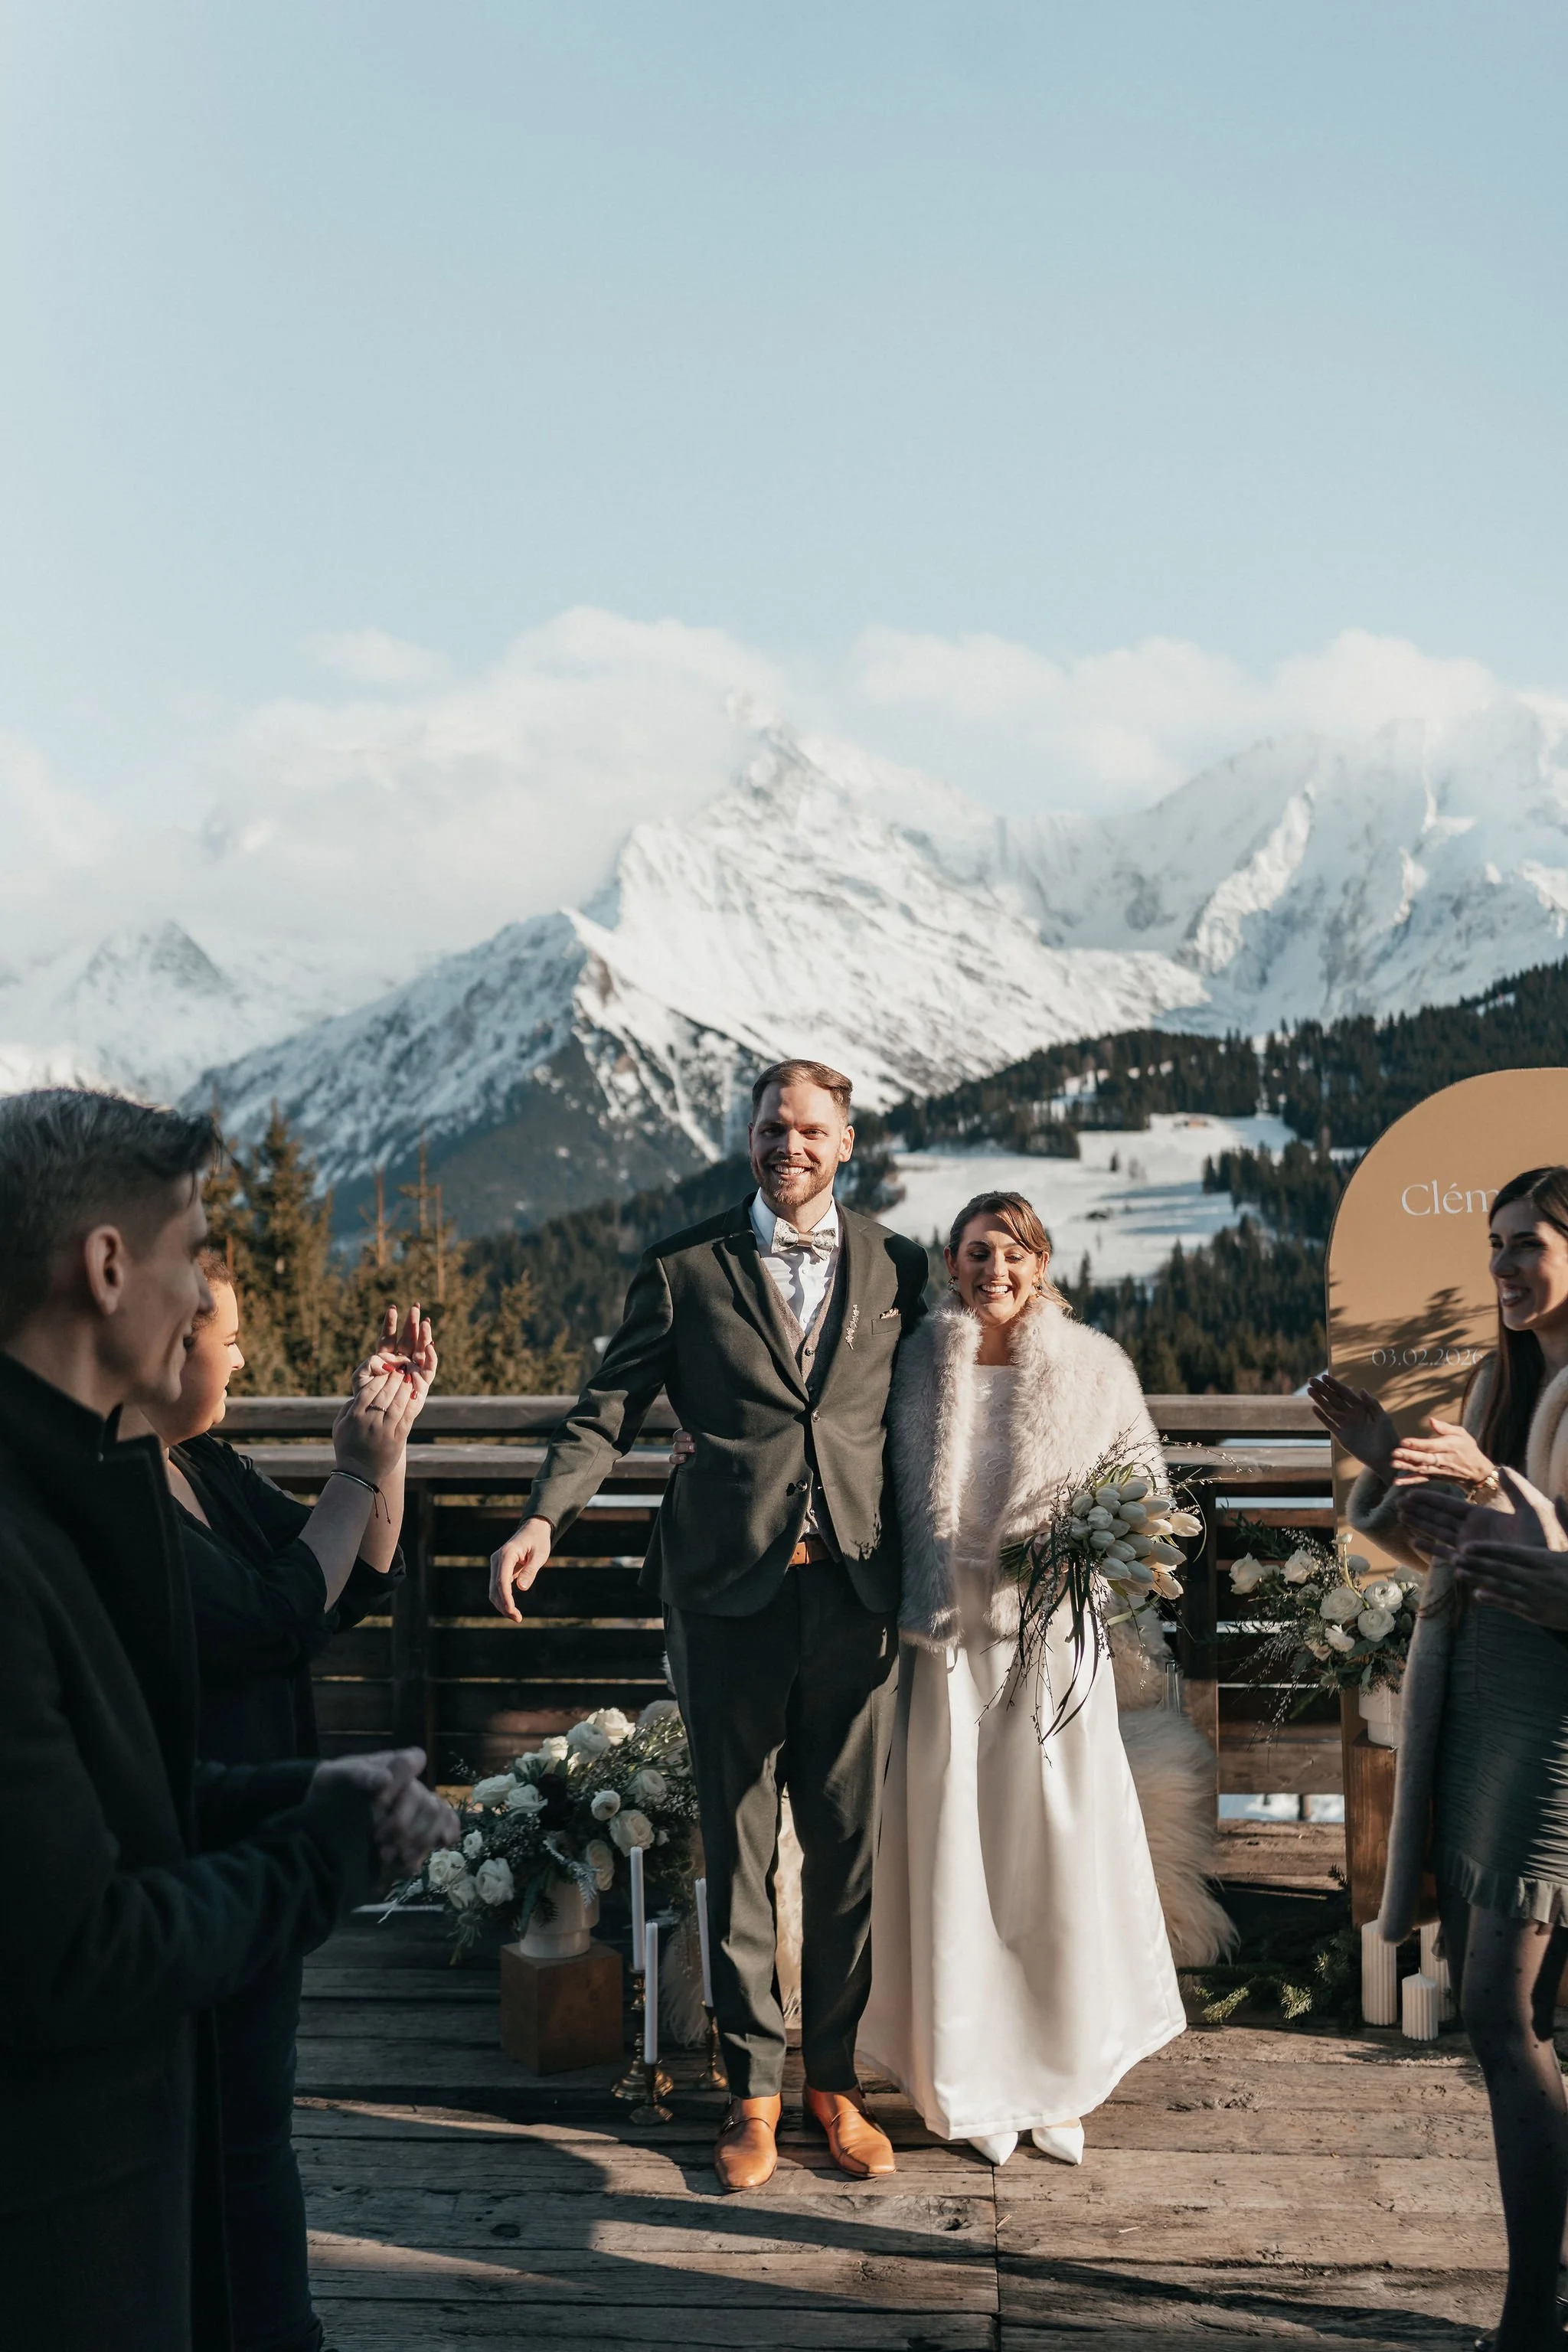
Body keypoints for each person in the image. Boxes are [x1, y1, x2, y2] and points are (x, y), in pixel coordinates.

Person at [0, 1088, 457, 2352]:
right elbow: (76, 1951)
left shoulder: (75, 1479)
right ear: (104, 1267)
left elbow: (95, 1806)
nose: (208, 1295)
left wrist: (293, 1796)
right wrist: (322, 1856)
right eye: (193, 1249)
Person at [488, 1059, 929, 2191]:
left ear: (846, 1144)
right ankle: (754, 2094)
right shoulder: (685, 1268)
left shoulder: (900, 1269)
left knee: (843, 1856)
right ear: (748, 1137)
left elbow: (946, 1401)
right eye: (775, 1126)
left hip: (858, 1594)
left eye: (813, 1130)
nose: (792, 1144)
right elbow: (608, 1408)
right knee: (736, 1851)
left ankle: (836, 2082)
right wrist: (545, 1516)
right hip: (725, 1596)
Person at [117, 1263, 438, 2352]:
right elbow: (271, 1617)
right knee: (225, 2138)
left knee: (253, 2127)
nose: (242, 1360)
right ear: (171, 1339)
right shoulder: (116, 1487)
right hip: (194, 1846)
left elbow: (345, 1582)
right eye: (234, 1339)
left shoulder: (195, 1460)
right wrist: (352, 1472)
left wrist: (381, 1453)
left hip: (259, 1830)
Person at [856, 1191, 1186, 2165]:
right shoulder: (911, 1363)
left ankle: (1059, 2073)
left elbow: (1148, 1503)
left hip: (1049, 1648)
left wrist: (1083, 1554)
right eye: (971, 1254)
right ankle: (967, 2077)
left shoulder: (1094, 1370)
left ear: (1040, 1265)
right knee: (953, 1856)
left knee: (1051, 1858)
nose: (990, 1271)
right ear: (949, 1267)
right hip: (942, 1647)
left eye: (1009, 1254)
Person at [1310, 1165, 1568, 2352]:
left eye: (1532, 1244)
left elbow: (1534, 1536)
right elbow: (1456, 1542)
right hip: (1471, 1699)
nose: (1508, 1266)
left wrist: (1490, 1484)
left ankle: (1531, 2311)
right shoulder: (1495, 1377)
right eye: (1498, 1243)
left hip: (1552, 1722)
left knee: (1496, 2011)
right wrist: (1387, 1458)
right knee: (1508, 2010)